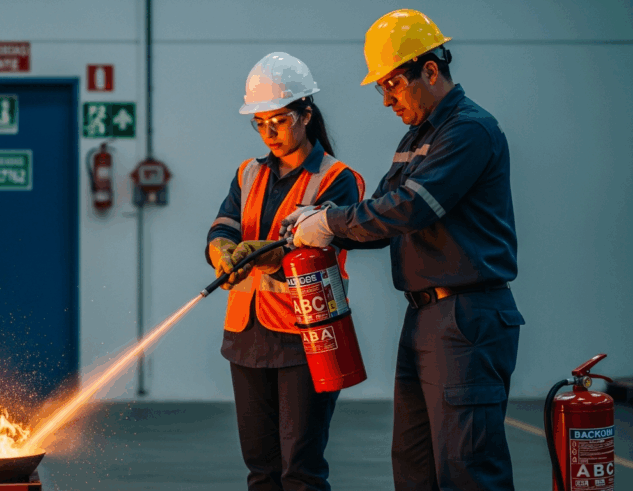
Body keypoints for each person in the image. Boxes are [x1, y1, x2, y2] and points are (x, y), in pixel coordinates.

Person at [282, 9, 525, 491]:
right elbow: (385, 215)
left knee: (467, 469)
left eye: (392, 84)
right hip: (427, 319)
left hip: (466, 319)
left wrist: (328, 222)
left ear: (430, 70)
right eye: (382, 89)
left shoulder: (468, 130)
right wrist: (320, 224)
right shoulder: (418, 137)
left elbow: (410, 209)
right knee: (414, 468)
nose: (387, 99)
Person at [206, 52, 365, 491]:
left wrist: (265, 253)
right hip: (248, 337)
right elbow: (224, 225)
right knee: (261, 469)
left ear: (306, 114)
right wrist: (221, 250)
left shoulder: (336, 178)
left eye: (277, 119)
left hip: (307, 336)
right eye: (259, 122)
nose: (268, 132)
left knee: (301, 469)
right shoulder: (247, 174)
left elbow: (326, 240)